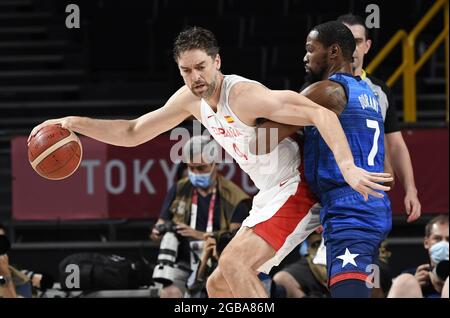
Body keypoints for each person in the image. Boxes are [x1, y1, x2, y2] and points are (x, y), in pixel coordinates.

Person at [29, 26, 392, 297]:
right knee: (219, 284)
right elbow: (133, 131)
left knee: (235, 264)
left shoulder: (245, 94)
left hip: (296, 187)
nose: (195, 78)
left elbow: (320, 113)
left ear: (217, 62)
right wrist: (74, 123)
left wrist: (347, 166)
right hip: (271, 193)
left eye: (201, 67)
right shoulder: (189, 99)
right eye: (186, 70)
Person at [255, 21, 392, 297]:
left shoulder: (325, 91)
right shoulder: (368, 91)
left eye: (310, 49)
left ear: (333, 52)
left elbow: (262, 139)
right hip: (368, 207)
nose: (305, 56)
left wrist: (252, 103)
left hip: (350, 212)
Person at [337, 13, 421, 223]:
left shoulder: (381, 91)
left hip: (370, 199)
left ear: (367, 45)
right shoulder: (320, 87)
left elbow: (396, 146)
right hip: (332, 193)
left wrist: (411, 189)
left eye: (356, 41)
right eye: (344, 41)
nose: (351, 48)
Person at [150, 135, 250, 297]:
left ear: (215, 164)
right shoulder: (179, 189)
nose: (195, 173)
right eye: (191, 168)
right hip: (184, 261)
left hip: (217, 261)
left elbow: (238, 240)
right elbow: (157, 230)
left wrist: (200, 235)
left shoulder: (234, 196)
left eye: (201, 168)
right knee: (169, 292)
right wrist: (159, 231)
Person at [388, 215, 449, 298]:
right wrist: (413, 286)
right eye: (437, 239)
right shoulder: (414, 276)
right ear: (426, 243)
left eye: (448, 239)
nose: (443, 244)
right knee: (405, 281)